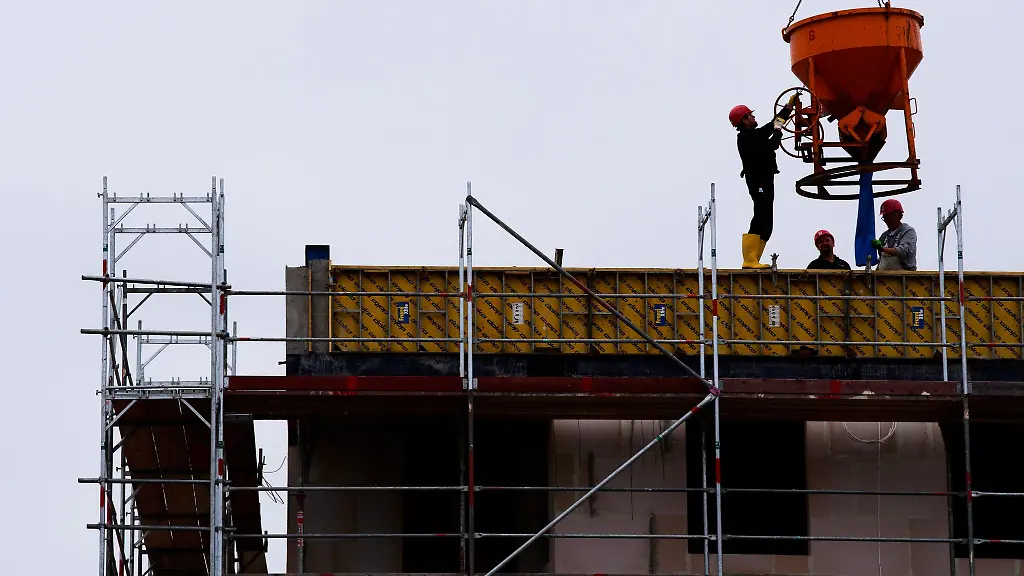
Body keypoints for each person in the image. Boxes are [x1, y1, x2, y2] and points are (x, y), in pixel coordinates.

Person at [730, 94, 798, 269]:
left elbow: (772, 125)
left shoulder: (754, 134)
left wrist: (788, 109)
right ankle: (749, 259)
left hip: (766, 179)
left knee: (767, 220)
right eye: (750, 115)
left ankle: (754, 259)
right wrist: (777, 135)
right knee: (761, 215)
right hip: (758, 181)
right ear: (744, 120)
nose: (754, 117)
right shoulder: (745, 138)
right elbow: (770, 145)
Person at [871, 199, 917, 271]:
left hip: (904, 277)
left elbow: (903, 251)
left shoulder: (908, 231)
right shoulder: (884, 236)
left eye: (888, 216)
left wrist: (883, 249)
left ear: (898, 215)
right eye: (884, 217)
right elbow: (881, 260)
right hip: (883, 278)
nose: (886, 220)